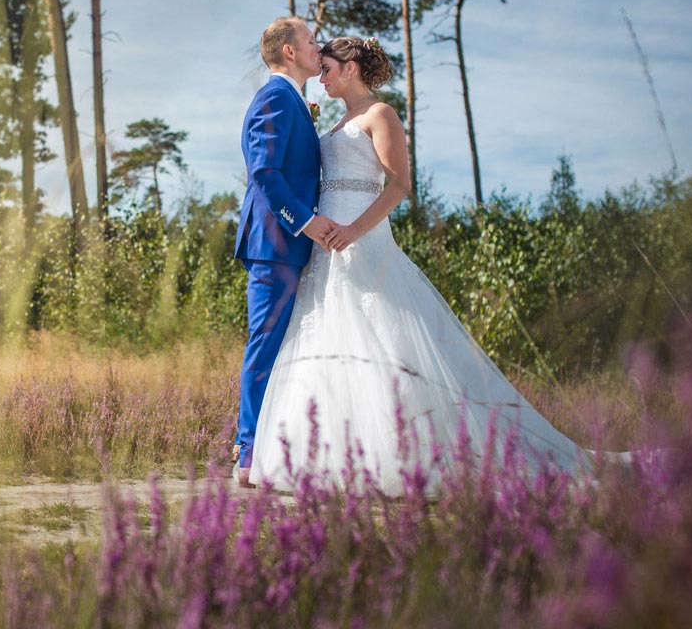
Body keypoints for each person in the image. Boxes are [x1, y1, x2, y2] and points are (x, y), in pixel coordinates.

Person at [248, 36, 602, 494]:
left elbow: (399, 186)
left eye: (329, 67)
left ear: (351, 67)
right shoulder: (338, 122)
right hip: (326, 249)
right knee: (327, 340)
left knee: (384, 343)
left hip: (362, 240)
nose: (322, 74)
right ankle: (330, 456)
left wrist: (353, 231)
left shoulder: (381, 114)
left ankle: (403, 455)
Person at [232, 17, 338, 488]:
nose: (320, 47)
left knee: (286, 346)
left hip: (290, 247)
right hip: (275, 242)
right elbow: (265, 173)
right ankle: (248, 450)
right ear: (290, 52)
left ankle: (277, 446)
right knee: (266, 343)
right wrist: (308, 222)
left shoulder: (295, 101)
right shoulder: (275, 96)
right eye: (313, 41)